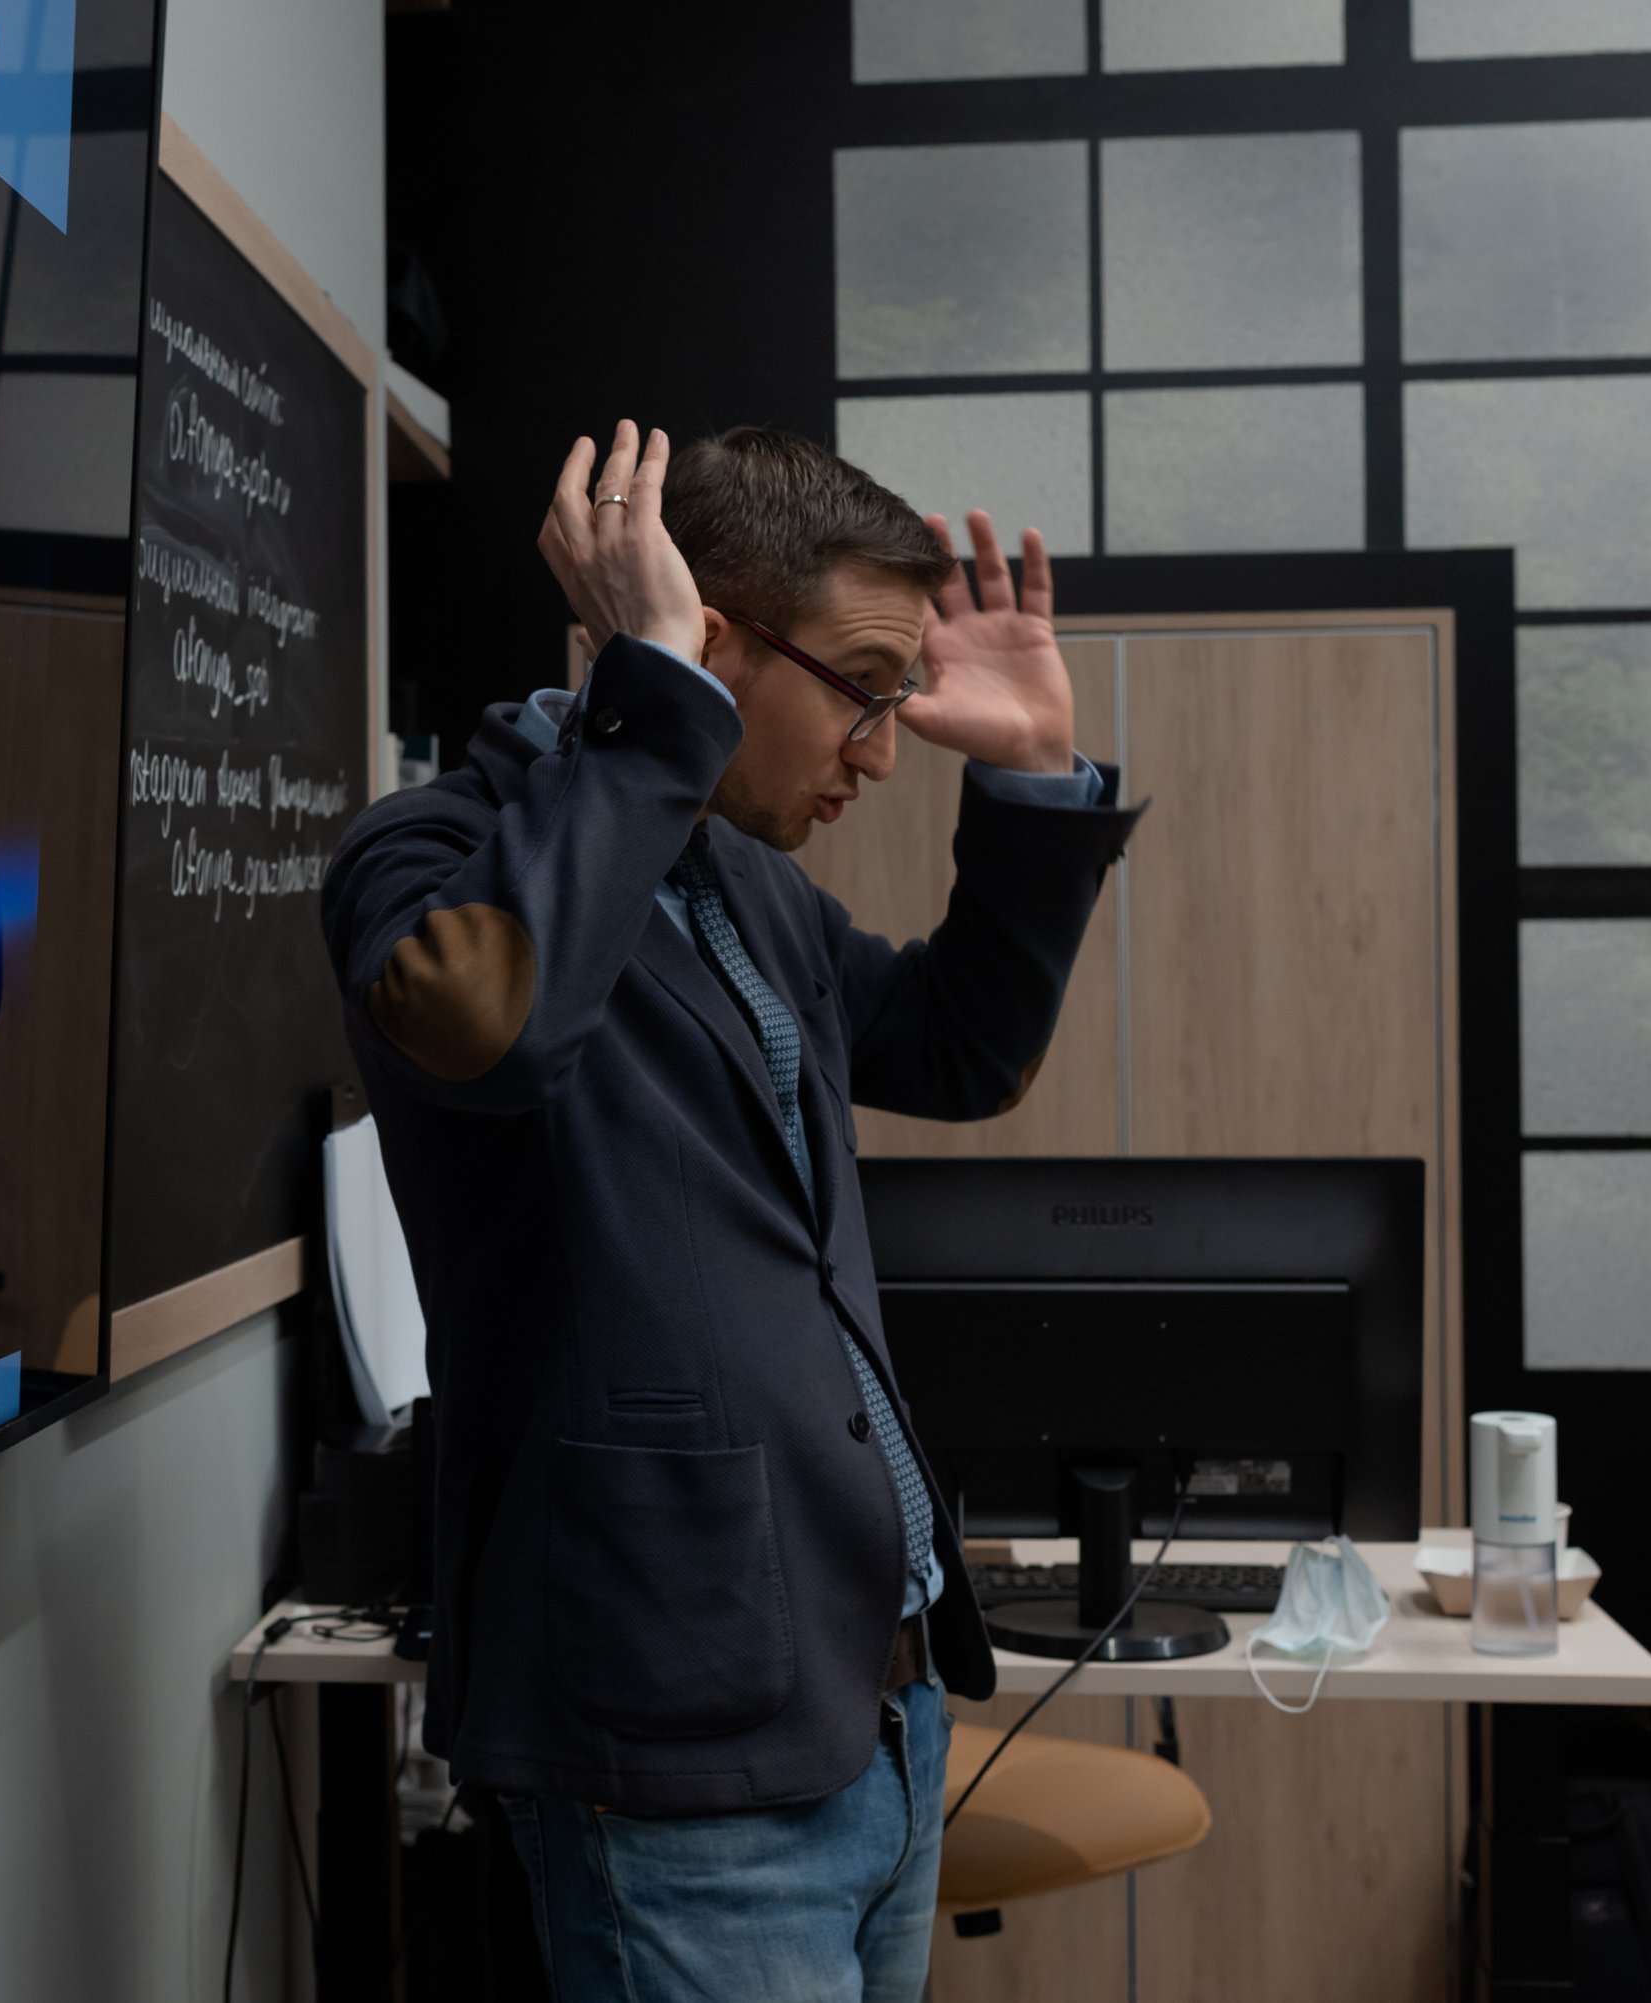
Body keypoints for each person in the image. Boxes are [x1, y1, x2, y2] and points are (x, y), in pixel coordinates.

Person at [321, 421, 1146, 1999]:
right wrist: (655, 701)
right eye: (862, 690)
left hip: (878, 1706)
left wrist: (1033, 775)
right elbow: (494, 1031)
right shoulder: (428, 856)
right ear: (707, 641)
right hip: (676, 1735)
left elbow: (959, 1048)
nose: (882, 753)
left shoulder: (753, 888)